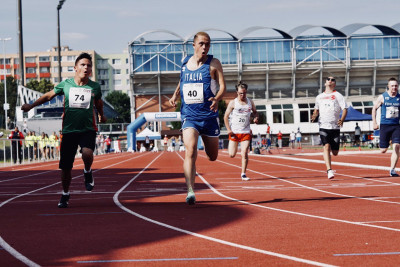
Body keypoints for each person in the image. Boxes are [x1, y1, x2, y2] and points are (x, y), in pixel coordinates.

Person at [21, 52, 106, 208]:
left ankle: (87, 171)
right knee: (66, 167)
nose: (86, 67)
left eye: (89, 65)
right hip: (69, 130)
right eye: (83, 65)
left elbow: (99, 102)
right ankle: (65, 194)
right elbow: (48, 96)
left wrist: (101, 115)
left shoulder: (95, 86)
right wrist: (31, 105)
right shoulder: (66, 84)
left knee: (87, 153)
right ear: (75, 68)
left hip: (88, 128)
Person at [169, 31, 226, 205]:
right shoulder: (185, 62)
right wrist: (175, 95)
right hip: (189, 116)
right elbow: (182, 81)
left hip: (209, 117)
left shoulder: (214, 64)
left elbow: (223, 86)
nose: (204, 47)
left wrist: (216, 99)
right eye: (201, 44)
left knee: (212, 156)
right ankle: (190, 191)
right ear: (193, 45)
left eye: (207, 44)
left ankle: (207, 153)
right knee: (191, 149)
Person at [311, 76, 348, 179]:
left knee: (335, 152)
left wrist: (342, 119)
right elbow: (316, 109)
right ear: (325, 83)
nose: (330, 81)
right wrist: (314, 115)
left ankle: (331, 149)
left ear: (334, 84)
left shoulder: (338, 95)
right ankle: (329, 170)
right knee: (326, 146)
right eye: (328, 79)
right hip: (323, 125)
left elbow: (344, 108)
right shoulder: (319, 97)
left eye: (332, 80)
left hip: (335, 127)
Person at [224, 81, 258, 181]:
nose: (242, 95)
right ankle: (232, 150)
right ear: (237, 92)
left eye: (244, 93)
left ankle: (243, 174)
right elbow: (225, 117)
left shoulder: (250, 102)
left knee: (244, 153)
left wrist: (256, 118)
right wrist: (228, 130)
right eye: (240, 93)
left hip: (246, 131)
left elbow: (255, 113)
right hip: (234, 132)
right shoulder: (233, 103)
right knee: (231, 155)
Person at [372, 77, 400, 177]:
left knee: (397, 146)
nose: (394, 87)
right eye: (392, 86)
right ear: (388, 86)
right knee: (383, 150)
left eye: (396, 86)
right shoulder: (383, 97)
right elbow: (374, 109)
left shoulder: (399, 97)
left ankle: (392, 170)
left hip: (396, 126)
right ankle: (386, 141)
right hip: (385, 125)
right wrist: (374, 123)